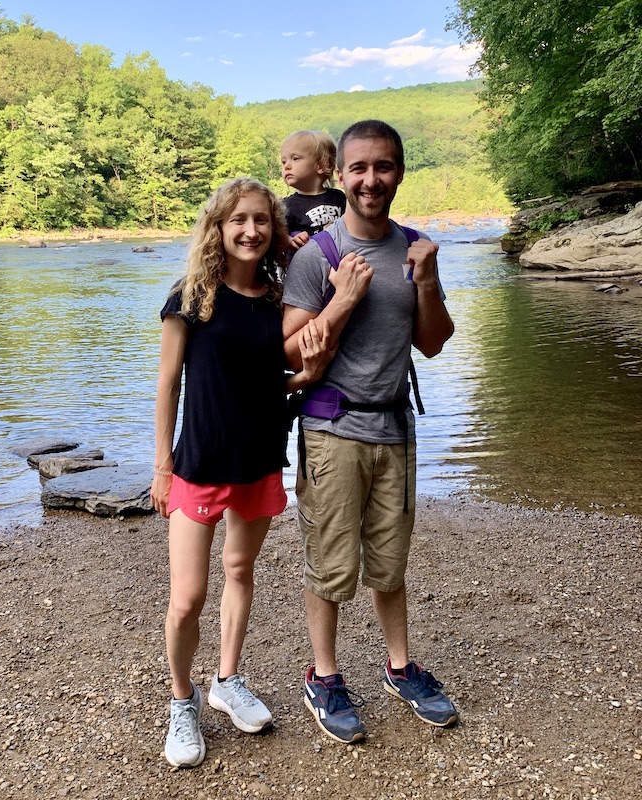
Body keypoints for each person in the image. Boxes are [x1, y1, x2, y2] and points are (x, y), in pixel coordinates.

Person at [281, 119, 458, 744]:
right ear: (338, 176)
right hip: (331, 428)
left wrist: (429, 282)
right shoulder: (316, 257)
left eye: (382, 167)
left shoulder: (416, 249)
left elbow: (433, 345)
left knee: (389, 562)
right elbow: (286, 352)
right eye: (358, 168)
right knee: (331, 564)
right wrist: (343, 299)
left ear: (400, 172)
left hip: (395, 429)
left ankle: (400, 667)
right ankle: (323, 677)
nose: (371, 179)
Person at [152, 177, 332, 768]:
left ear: (273, 229)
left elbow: (285, 375)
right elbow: (169, 383)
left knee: (239, 570)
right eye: (239, 221)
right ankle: (183, 703)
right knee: (187, 598)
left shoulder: (279, 299)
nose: (251, 231)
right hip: (199, 463)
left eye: (261, 220)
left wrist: (305, 371)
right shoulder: (191, 297)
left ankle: (226, 680)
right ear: (218, 229)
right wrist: (162, 464)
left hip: (259, 459)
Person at [280, 130, 346, 250]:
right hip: (307, 264)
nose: (286, 166)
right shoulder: (286, 206)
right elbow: (275, 235)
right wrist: (289, 240)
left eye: (295, 158)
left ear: (322, 165)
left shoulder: (339, 198)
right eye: (283, 161)